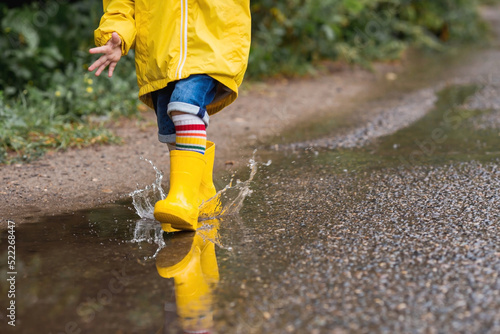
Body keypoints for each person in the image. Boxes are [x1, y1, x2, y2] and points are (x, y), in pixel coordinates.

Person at [88, 0, 251, 231]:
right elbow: (121, 5)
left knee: (184, 105)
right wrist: (117, 34)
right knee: (172, 131)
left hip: (212, 44)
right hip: (160, 53)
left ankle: (182, 199)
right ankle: (200, 197)